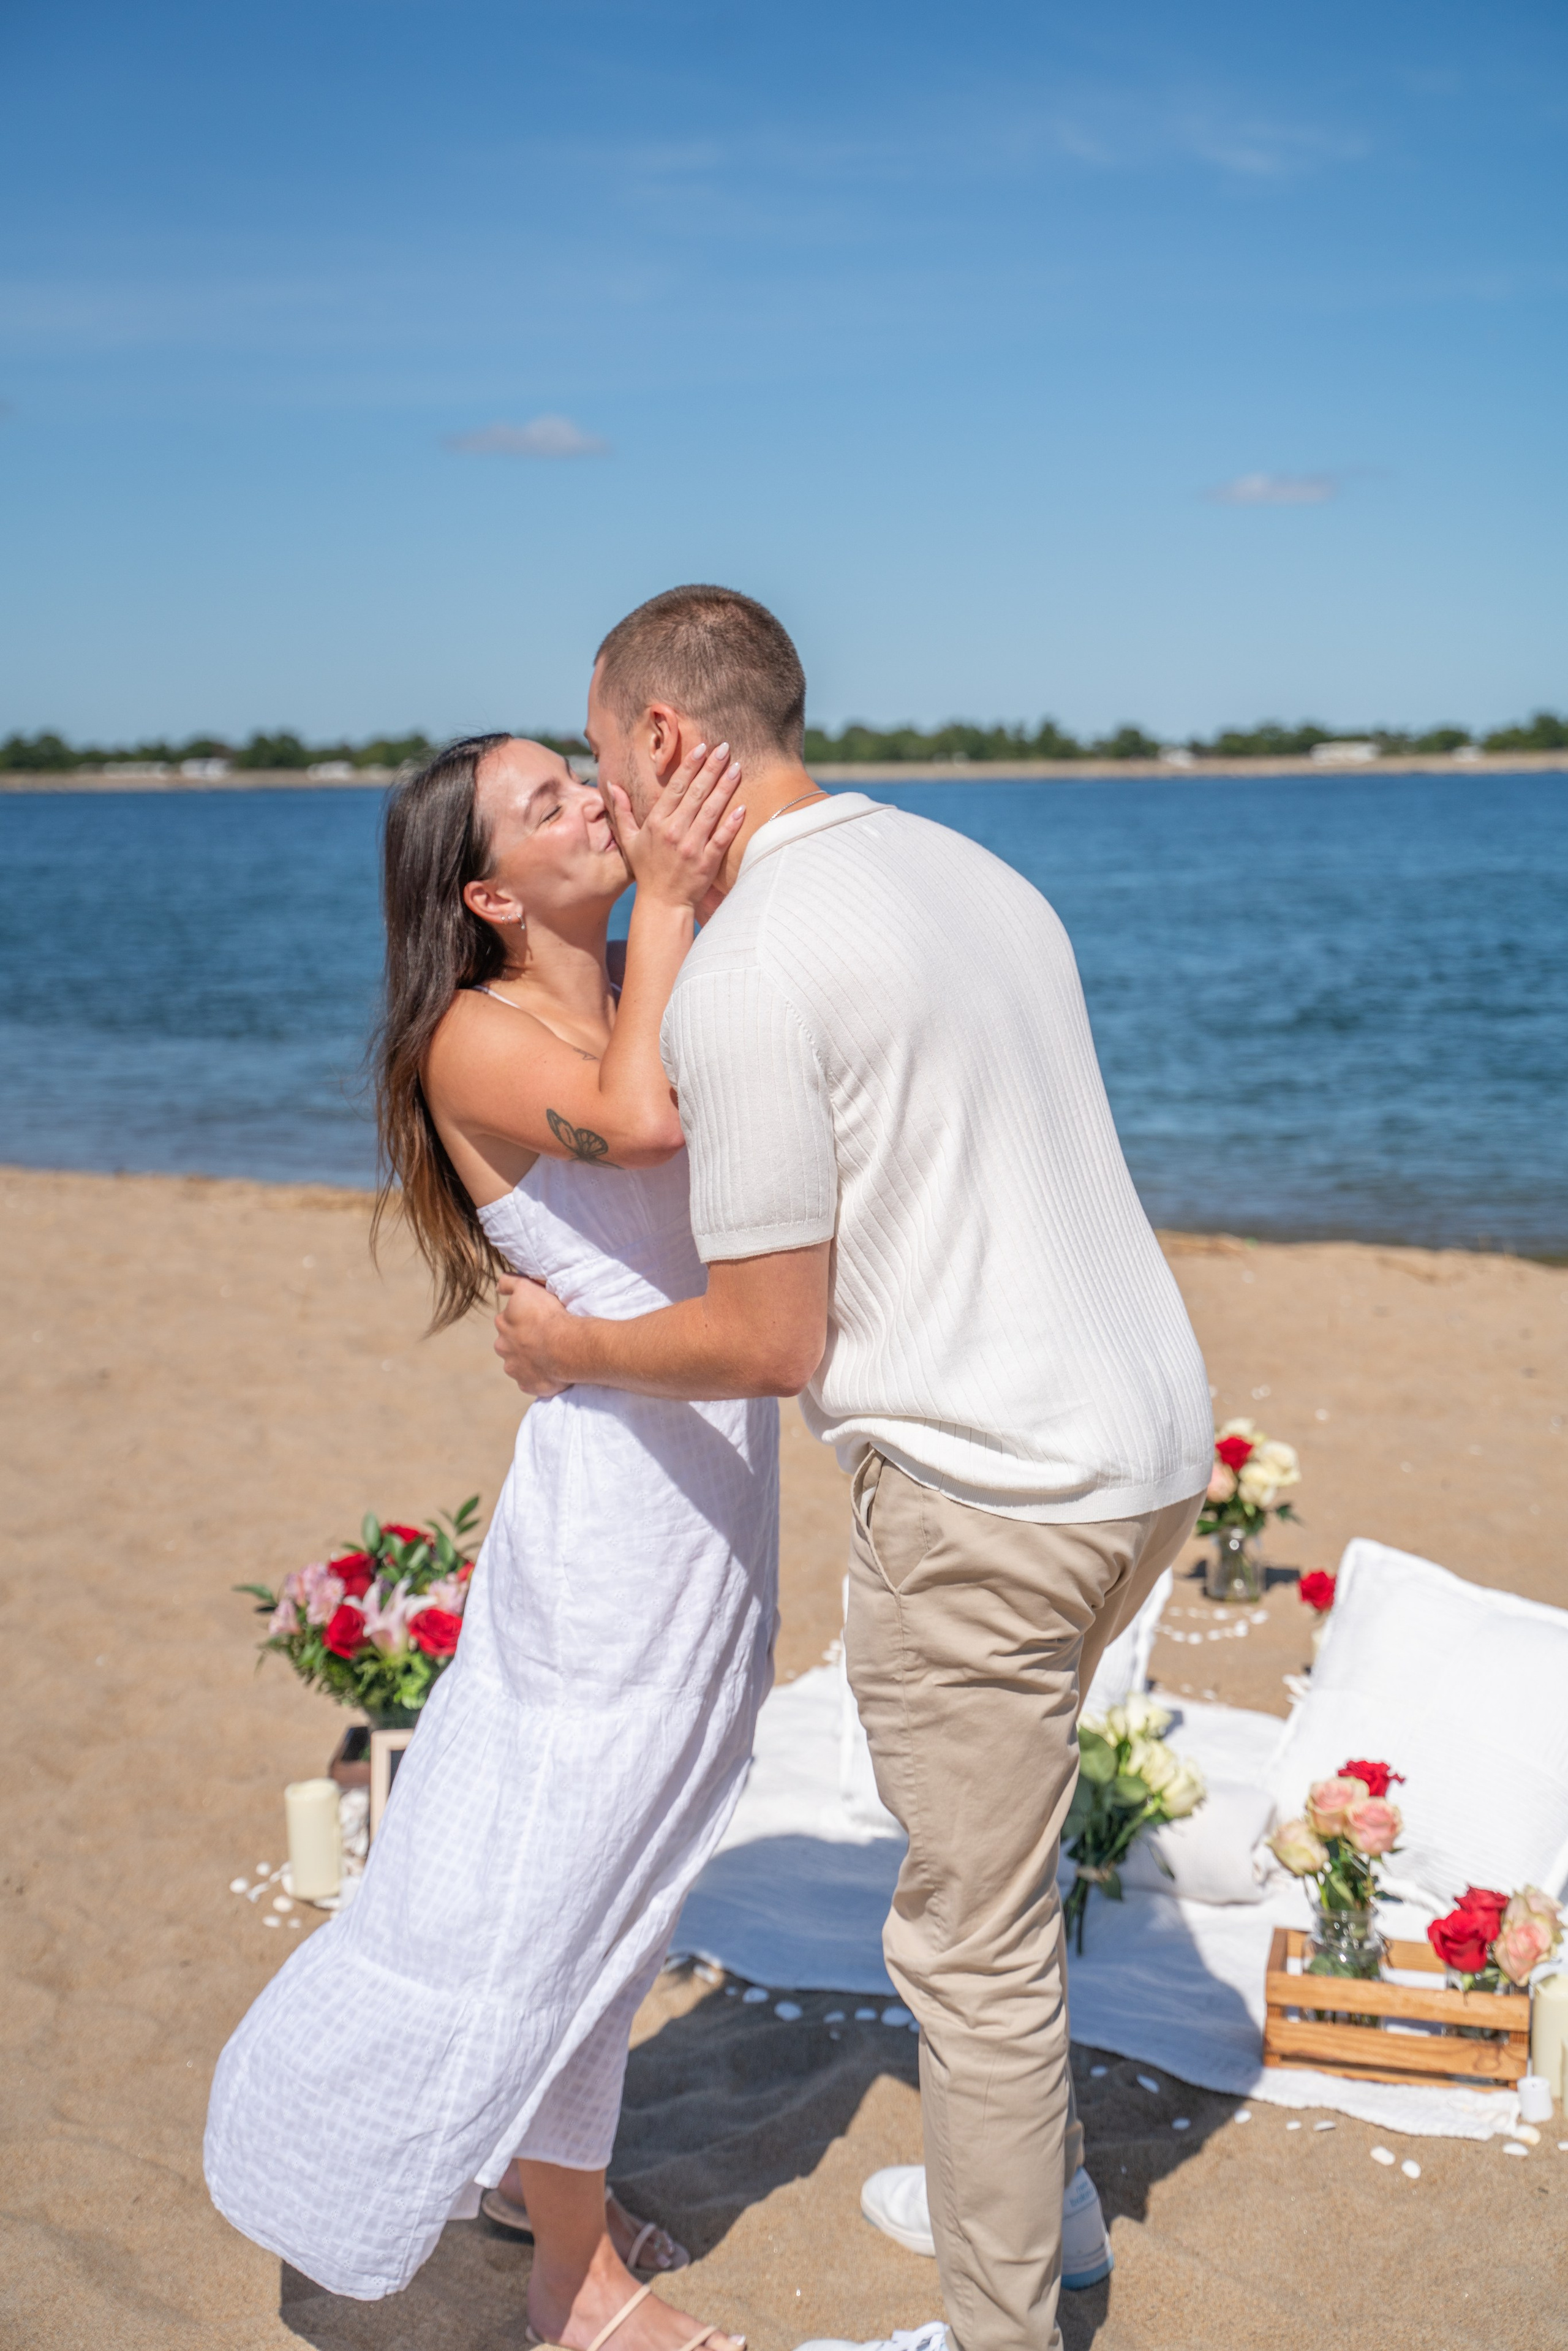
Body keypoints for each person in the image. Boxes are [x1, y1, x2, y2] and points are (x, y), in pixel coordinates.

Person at [492, 587, 1213, 2351]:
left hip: (994, 1493)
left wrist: (570, 1349)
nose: (604, 792)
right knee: (1006, 1886)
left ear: (666, 741)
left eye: (602, 756)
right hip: (1151, 1450)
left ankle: (1001, 2329)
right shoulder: (976, 871)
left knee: (968, 1945)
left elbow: (766, 1341)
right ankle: (1036, 2206)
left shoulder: (750, 969)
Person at [206, 731, 774, 2351]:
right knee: (558, 1887)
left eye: (585, 781)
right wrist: (668, 885)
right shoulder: (473, 1035)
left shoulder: (644, 978)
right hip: (612, 1522)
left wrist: (697, 863)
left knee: (640, 1865)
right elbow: (645, 1125)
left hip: (714, 1484)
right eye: (554, 804)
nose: (595, 806)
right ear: (488, 891)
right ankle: (568, 2280)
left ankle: (537, 2190)